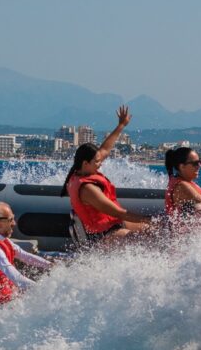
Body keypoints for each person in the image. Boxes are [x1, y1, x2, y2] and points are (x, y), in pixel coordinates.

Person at [60, 105, 151, 248]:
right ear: (85, 163)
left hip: (113, 226)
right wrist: (148, 219)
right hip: (102, 236)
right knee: (145, 240)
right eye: (97, 162)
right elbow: (118, 212)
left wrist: (121, 125)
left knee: (155, 232)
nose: (100, 164)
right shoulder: (87, 188)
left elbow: (104, 150)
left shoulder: (82, 170)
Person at [0, 202, 52, 306]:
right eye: (10, 220)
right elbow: (17, 278)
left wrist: (52, 266)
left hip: (10, 299)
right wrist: (45, 291)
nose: (14, 223)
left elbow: (26, 256)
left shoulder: (3, 240)